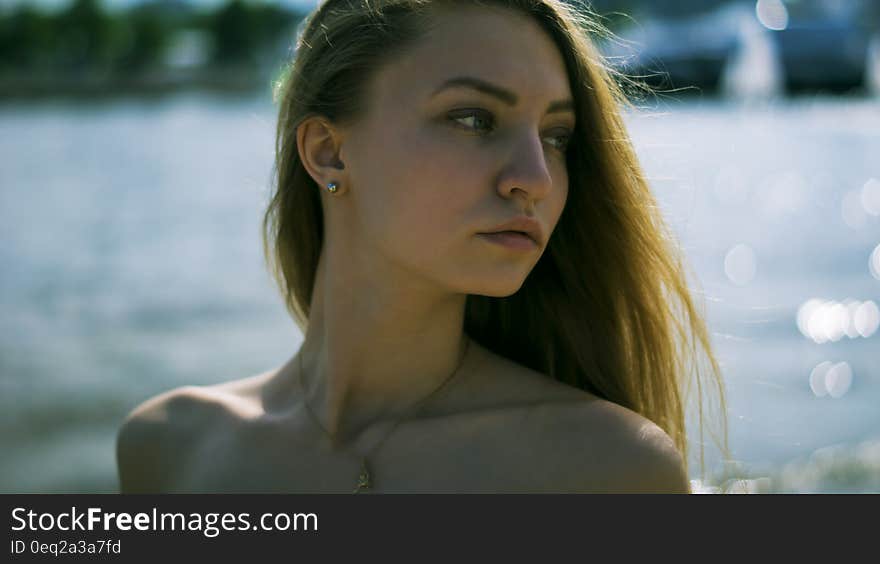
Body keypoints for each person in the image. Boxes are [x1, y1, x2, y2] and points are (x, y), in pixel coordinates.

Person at [116, 0, 727, 493]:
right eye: (473, 119)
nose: (535, 177)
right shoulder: (168, 448)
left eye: (557, 135)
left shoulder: (609, 468)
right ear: (329, 151)